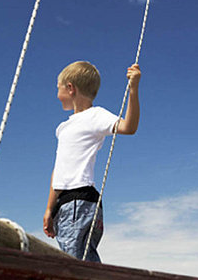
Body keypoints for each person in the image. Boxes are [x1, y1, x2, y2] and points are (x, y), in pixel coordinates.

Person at [43, 61, 141, 262]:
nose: (56, 94)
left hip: (80, 202)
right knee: (83, 261)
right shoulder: (63, 128)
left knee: (73, 267)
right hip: (67, 204)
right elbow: (59, 170)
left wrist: (133, 90)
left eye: (58, 88)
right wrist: (49, 209)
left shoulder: (96, 116)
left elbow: (129, 127)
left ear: (70, 88)